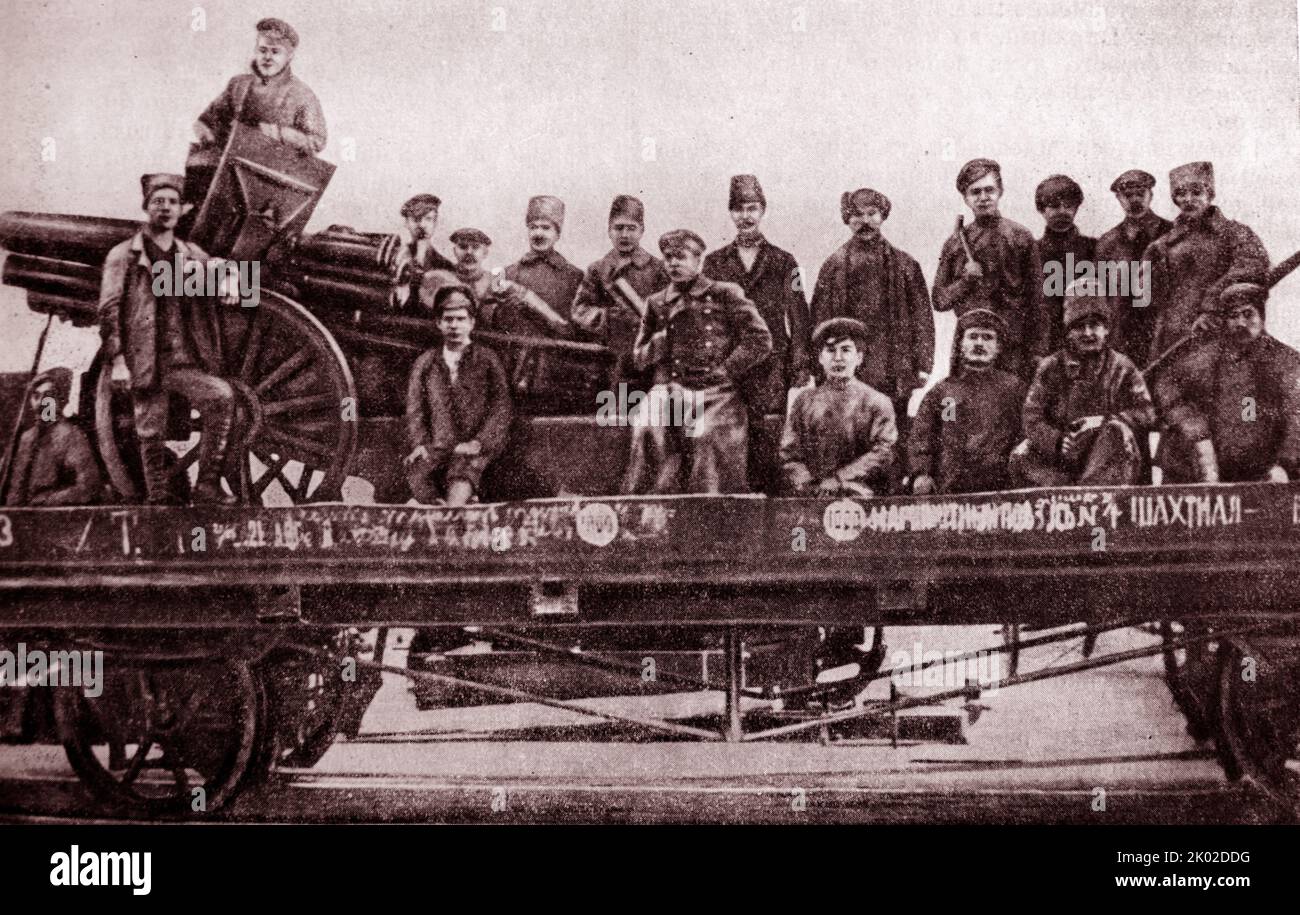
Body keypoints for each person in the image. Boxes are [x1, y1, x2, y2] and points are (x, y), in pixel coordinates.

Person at [98, 174, 240, 505]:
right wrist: (118, 361)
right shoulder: (124, 256)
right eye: (158, 201)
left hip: (180, 361)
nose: (166, 208)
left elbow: (222, 267)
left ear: (181, 210)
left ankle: (207, 485)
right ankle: (159, 497)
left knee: (220, 397)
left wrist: (231, 278)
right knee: (150, 429)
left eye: (172, 202)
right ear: (146, 207)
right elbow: (109, 311)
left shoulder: (189, 254)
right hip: (143, 358)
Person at [621, 230, 772, 494]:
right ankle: (649, 509)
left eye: (681, 257)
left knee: (707, 437)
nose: (673, 263)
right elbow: (638, 358)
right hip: (670, 389)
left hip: (716, 392)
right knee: (647, 427)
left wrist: (726, 370)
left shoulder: (725, 294)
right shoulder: (656, 303)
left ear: (699, 260)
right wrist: (660, 341)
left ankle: (711, 514)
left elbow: (760, 339)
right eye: (668, 258)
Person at [810, 187, 933, 489]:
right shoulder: (834, 266)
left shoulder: (905, 265)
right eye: (857, 216)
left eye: (871, 214)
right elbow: (819, 319)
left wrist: (924, 363)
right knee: (848, 433)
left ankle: (891, 494)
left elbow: (923, 317)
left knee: (892, 434)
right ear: (847, 220)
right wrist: (820, 367)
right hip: (850, 367)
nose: (865, 221)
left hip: (893, 365)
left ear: (882, 216)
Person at [703, 175, 812, 492]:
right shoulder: (714, 263)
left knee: (769, 437)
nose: (745, 216)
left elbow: (798, 314)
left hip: (771, 365)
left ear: (763, 210)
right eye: (738, 210)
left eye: (752, 208)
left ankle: (770, 507)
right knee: (727, 432)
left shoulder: (784, 261)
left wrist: (801, 363)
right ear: (731, 214)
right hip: (730, 363)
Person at [1010, 280, 1156, 487]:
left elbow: (1147, 412)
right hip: (1064, 462)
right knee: (1022, 454)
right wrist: (1058, 441)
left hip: (1110, 459)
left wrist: (1102, 422)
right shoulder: (1051, 367)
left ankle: (1087, 493)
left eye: (1094, 325)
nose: (1088, 333)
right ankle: (1067, 495)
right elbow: (1031, 417)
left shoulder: (1122, 367)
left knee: (1117, 431)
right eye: (1079, 326)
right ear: (1069, 332)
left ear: (1106, 329)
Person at [1153, 282, 1300, 484]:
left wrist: (1285, 465)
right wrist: (1198, 434)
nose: (1240, 323)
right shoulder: (1209, 356)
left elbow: (1296, 416)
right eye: (1233, 316)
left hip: (1268, 473)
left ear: (1262, 317)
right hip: (1212, 472)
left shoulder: (1286, 361)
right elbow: (1167, 385)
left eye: (1248, 314)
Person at [933, 158, 1048, 381]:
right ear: (966, 198)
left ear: (1000, 191)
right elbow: (939, 301)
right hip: (970, 346)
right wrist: (965, 281)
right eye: (975, 192)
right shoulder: (955, 243)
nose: (983, 197)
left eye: (989, 190)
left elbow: (1037, 299)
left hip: (1014, 346)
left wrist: (1038, 350)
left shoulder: (1020, 237)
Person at [1146, 161, 1269, 363]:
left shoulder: (1235, 233)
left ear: (1209, 194)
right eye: (1180, 193)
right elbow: (1151, 298)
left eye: (1196, 192)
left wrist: (1212, 303)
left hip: (1225, 332)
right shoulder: (1162, 245)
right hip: (1174, 341)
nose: (1188, 199)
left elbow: (1252, 266)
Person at [404, 284, 512, 507]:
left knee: (464, 471)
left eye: (461, 319)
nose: (454, 326)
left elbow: (501, 407)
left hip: (475, 450)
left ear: (472, 323)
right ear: (439, 323)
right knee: (417, 470)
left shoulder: (487, 360)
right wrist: (420, 444)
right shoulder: (425, 363)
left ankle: (453, 512)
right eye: (449, 319)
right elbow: (416, 410)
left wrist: (479, 442)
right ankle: (439, 508)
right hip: (439, 448)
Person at [909, 310, 1026, 495]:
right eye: (972, 337)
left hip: (1001, 487)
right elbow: (922, 437)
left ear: (998, 347)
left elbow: (1026, 433)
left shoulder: (1013, 389)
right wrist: (921, 473)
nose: (979, 343)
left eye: (988, 338)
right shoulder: (944, 392)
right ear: (961, 344)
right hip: (951, 487)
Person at [779, 318, 897, 497]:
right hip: (812, 493)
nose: (838, 358)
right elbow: (789, 453)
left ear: (859, 357)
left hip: (860, 493)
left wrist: (839, 479)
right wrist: (808, 482)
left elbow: (883, 452)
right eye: (831, 350)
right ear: (820, 358)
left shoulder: (877, 402)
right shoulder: (804, 401)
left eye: (846, 350)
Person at [1094, 169, 1173, 364]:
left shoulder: (1172, 234)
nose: (1135, 200)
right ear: (1119, 199)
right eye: (1128, 195)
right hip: (1123, 335)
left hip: (1163, 331)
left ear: (1151, 195)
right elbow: (1102, 296)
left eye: (1141, 194)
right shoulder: (1108, 243)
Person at [1, 368, 103, 507]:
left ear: (59, 401)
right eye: (35, 396)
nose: (40, 403)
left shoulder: (71, 435)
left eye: (48, 396)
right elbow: (15, 493)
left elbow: (89, 487)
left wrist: (47, 500)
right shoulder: (26, 438)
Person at [491, 195, 583, 340]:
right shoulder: (504, 273)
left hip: (557, 357)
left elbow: (579, 330)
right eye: (533, 227)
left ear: (557, 234)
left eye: (546, 228)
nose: (538, 234)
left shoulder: (575, 276)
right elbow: (487, 320)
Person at [1035, 175, 1096, 354]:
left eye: (1069, 206)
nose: (1062, 211)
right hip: (1045, 346)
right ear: (1041, 209)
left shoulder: (1094, 249)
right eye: (1054, 206)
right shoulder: (1031, 252)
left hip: (1086, 340)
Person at [394, 194, 454, 307]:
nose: (422, 225)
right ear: (406, 223)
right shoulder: (394, 258)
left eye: (428, 219)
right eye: (416, 220)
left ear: (435, 223)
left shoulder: (446, 266)